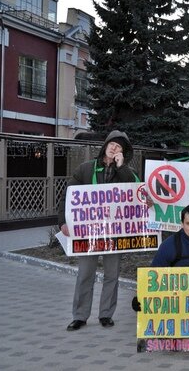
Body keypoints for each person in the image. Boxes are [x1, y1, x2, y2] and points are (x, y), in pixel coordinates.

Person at [59, 130, 139, 331]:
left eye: (119, 146)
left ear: (124, 152)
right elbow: (67, 197)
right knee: (85, 273)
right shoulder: (86, 169)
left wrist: (121, 168)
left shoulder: (127, 172)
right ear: (105, 146)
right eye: (112, 143)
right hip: (89, 232)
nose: (114, 148)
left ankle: (106, 314)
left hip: (115, 232)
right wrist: (63, 222)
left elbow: (137, 192)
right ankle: (80, 316)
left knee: (112, 275)